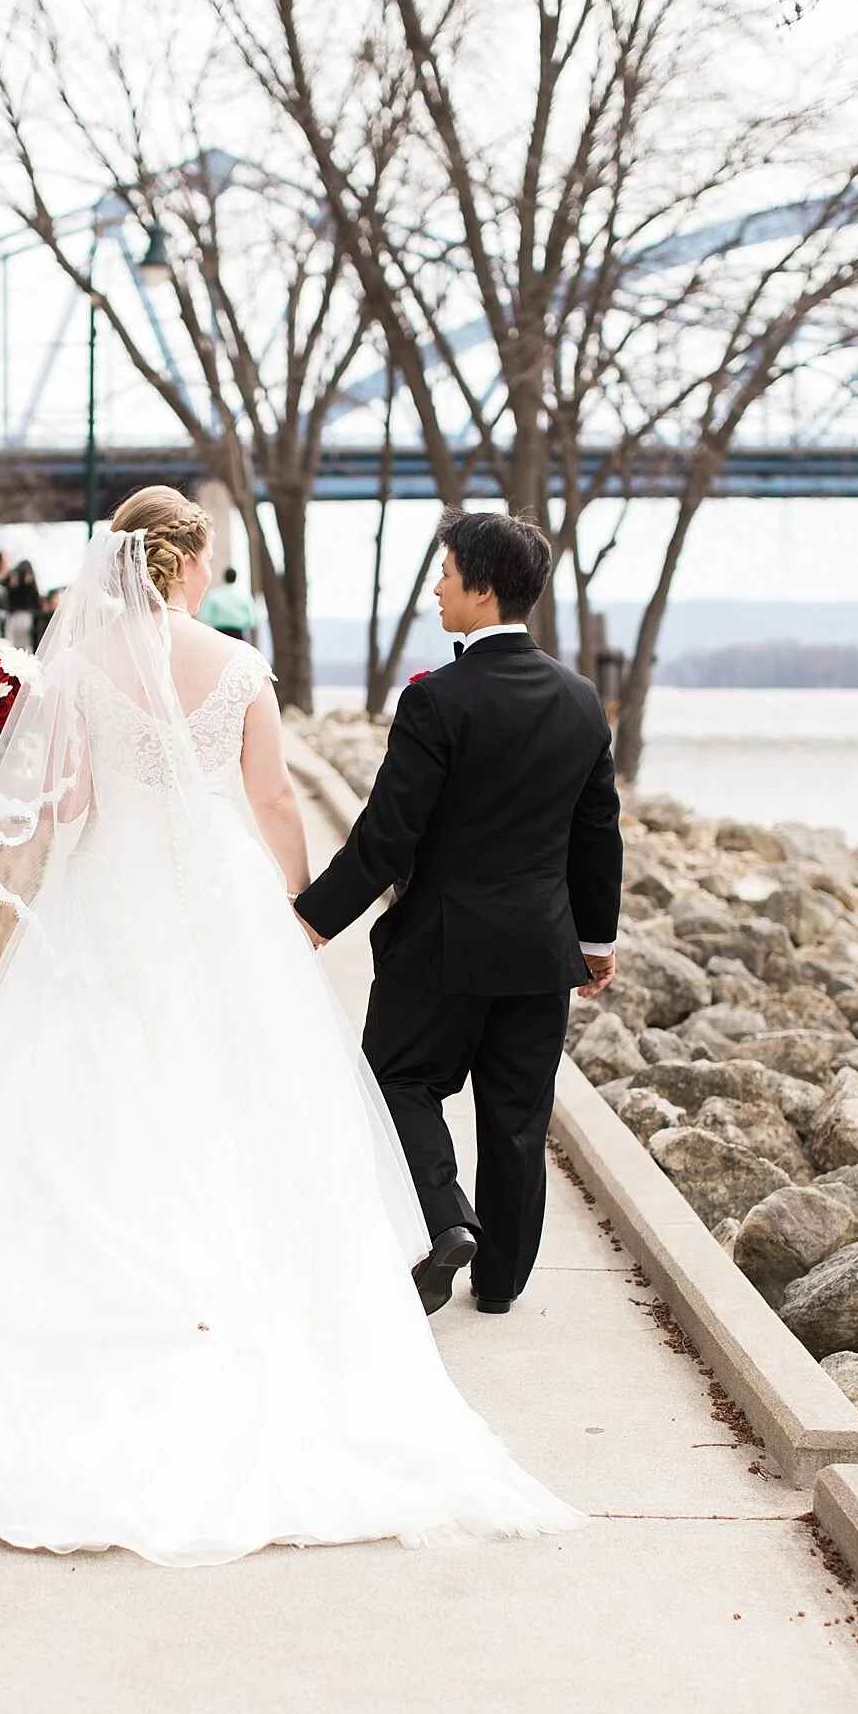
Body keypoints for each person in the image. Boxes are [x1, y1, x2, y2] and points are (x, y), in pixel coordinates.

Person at [0, 484, 581, 1565]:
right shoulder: (239, 666)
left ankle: (104, 1303)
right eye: (206, 557)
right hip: (217, 900)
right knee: (242, 1094)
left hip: (108, 897)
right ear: (190, 559)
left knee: (99, 1091)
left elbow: (68, 805)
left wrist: (7, 743)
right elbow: (274, 799)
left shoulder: (78, 666)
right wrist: (291, 910)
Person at [294, 508, 623, 1318]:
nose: (436, 589)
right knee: (516, 1116)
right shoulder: (581, 700)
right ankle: (501, 1284)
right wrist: (595, 938)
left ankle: (445, 1221)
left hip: (440, 946)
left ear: (480, 588)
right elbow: (596, 834)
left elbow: (387, 834)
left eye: (444, 574)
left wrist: (313, 918)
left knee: (397, 1081)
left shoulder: (435, 701)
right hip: (540, 949)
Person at [199, 564, 257, 641]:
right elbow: (252, 619)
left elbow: (205, 617)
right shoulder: (244, 595)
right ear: (236, 578)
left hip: (219, 633)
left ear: (224, 577)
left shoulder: (214, 595)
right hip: (239, 634)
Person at [4, 556, 41, 650]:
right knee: (19, 645)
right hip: (18, 615)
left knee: (16, 644)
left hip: (21, 615)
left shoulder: (29, 585)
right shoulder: (15, 580)